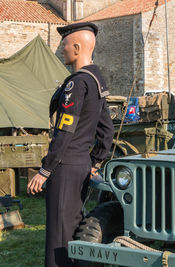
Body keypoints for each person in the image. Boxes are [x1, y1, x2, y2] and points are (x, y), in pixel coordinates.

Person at [27, 22, 114, 267]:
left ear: (76, 47)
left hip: (65, 167)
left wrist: (45, 170)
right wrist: (95, 161)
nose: (61, 49)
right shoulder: (97, 80)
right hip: (82, 166)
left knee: (59, 234)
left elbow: (64, 132)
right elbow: (107, 131)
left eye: (64, 44)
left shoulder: (77, 83)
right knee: (73, 228)